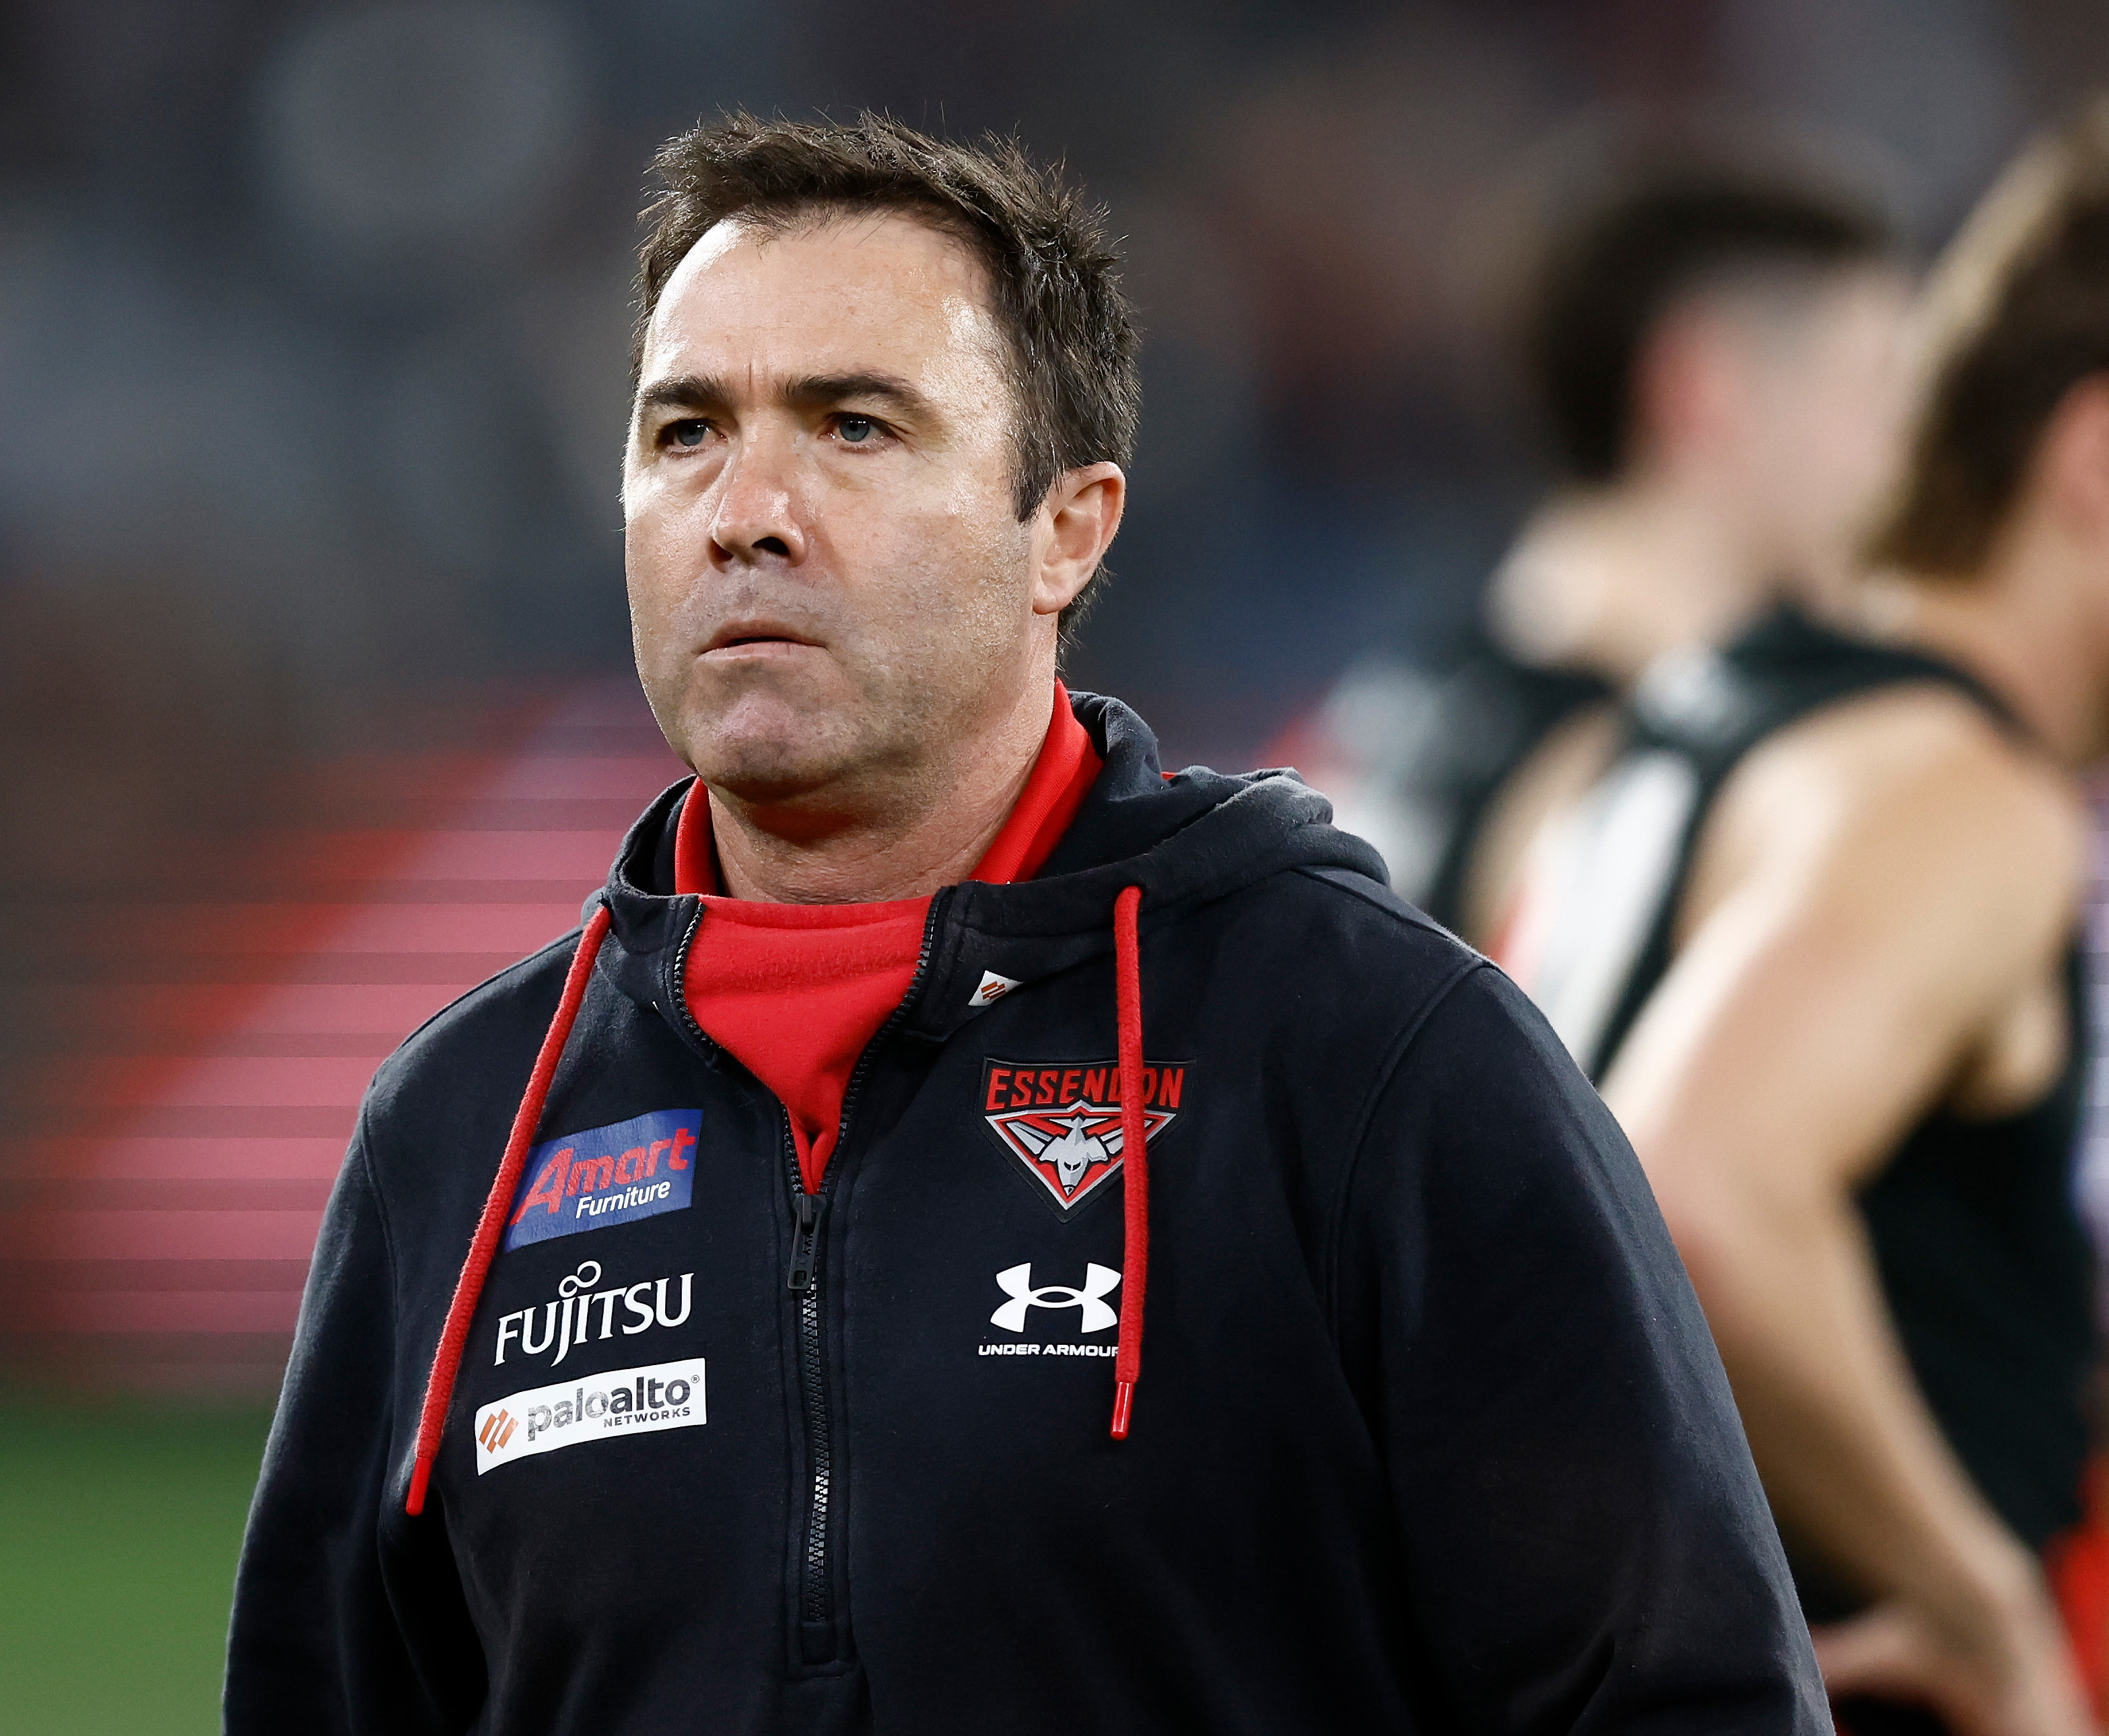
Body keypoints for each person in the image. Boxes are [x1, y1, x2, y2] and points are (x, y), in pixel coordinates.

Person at [221, 112, 1826, 1735]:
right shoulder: (458, 1131)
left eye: (853, 426)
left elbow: (1678, 1695)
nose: (745, 510)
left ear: (1067, 527)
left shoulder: (1371, 1057)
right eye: (686, 430)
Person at [1477, 104, 2109, 1736]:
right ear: (2107, 461)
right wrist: (1980, 1602)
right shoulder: (1956, 794)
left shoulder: (1692, 724)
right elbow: (1695, 1181)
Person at [1307, 135, 1910, 934]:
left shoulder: (1387, 703)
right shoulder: (1647, 788)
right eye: (1877, 385)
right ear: (1703, 388)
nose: (1905, 450)